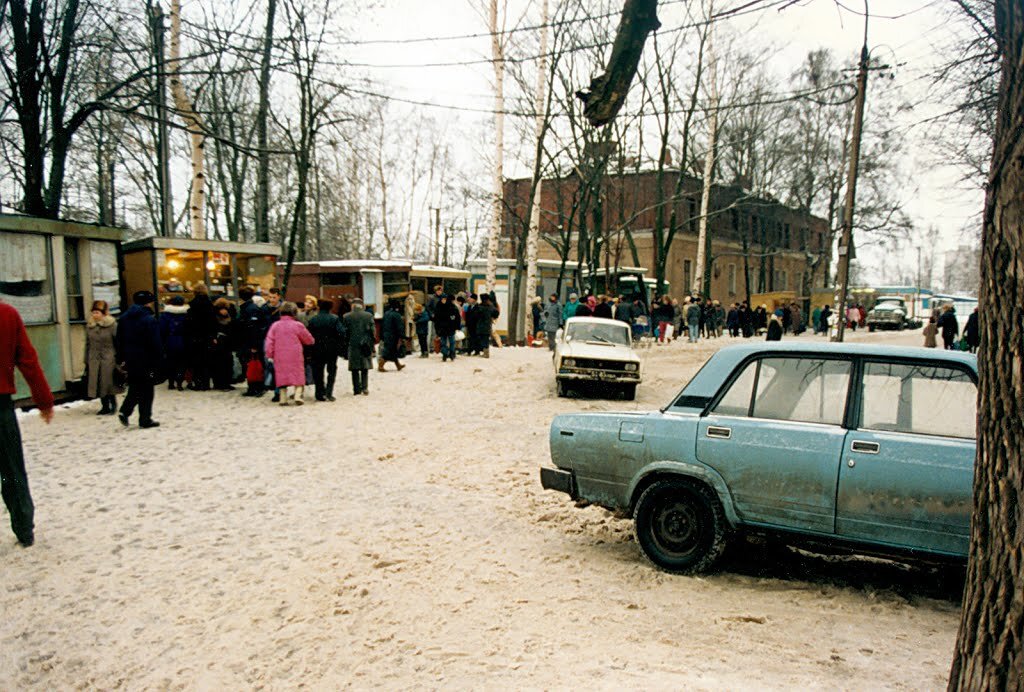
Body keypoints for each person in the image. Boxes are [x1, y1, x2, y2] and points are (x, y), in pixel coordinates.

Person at [0, 300, 54, 547]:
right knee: (12, 470)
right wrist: (43, 400)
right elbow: (28, 360)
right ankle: (24, 527)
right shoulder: (7, 314)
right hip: (1, 408)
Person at [117, 291, 164, 429]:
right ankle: (144, 418)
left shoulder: (124, 318)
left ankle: (126, 411)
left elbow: (119, 340)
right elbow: (155, 342)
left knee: (136, 386)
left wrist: (121, 357)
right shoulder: (149, 319)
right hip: (147, 359)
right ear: (148, 303)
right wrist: (160, 359)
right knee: (147, 389)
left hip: (131, 359)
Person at [264, 301, 315, 405]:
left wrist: (269, 354)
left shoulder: (275, 325)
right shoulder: (298, 325)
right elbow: (309, 340)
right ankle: (297, 395)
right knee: (298, 374)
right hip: (295, 354)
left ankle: (283, 398)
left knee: (281, 375)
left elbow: (269, 341)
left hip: (279, 354)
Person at [85, 300, 119, 415]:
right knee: (97, 382)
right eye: (93, 312)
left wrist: (119, 357)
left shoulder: (112, 325)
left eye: (97, 312)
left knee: (108, 382)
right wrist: (86, 359)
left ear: (104, 313)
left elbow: (118, 341)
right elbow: (87, 343)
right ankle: (104, 406)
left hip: (108, 356)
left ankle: (113, 403)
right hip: (94, 357)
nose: (95, 315)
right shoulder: (90, 326)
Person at [308, 299, 345, 401]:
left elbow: (308, 335)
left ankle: (319, 393)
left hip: (317, 349)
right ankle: (329, 392)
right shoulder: (334, 319)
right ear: (330, 308)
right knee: (331, 371)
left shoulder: (313, 319)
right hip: (331, 349)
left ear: (319, 307)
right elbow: (341, 332)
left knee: (318, 372)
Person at [185, 283, 217, 391]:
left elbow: (189, 323)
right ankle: (206, 383)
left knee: (196, 361)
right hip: (207, 337)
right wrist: (213, 335)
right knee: (206, 361)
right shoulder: (209, 304)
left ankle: (198, 383)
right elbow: (212, 322)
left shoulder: (192, 305)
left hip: (195, 337)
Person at [238, 287, 269, 397]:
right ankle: (254, 387)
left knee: (253, 364)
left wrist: (254, 345)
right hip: (250, 342)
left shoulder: (250, 309)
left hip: (250, 343)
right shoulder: (251, 308)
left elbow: (253, 329)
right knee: (253, 364)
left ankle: (256, 387)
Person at [343, 299, 375, 395]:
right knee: (365, 367)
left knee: (354, 368)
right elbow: (372, 331)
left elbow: (345, 332)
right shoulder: (368, 316)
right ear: (362, 305)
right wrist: (371, 343)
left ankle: (356, 389)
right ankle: (365, 387)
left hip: (353, 344)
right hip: (365, 344)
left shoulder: (346, 316)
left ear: (352, 306)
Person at [159, 296, 189, 391]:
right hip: (183, 342)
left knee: (170, 363)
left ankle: (171, 382)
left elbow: (161, 330)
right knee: (182, 364)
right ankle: (179, 382)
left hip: (169, 342)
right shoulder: (186, 315)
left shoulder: (164, 315)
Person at [210, 298, 236, 390]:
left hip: (227, 343)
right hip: (218, 343)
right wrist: (213, 338)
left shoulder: (229, 316)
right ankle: (220, 383)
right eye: (222, 309)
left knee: (227, 363)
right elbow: (212, 330)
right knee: (220, 364)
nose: (224, 311)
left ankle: (226, 383)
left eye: (225, 308)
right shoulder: (214, 318)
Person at [379, 299, 406, 372]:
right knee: (389, 350)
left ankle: (398, 365)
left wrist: (381, 335)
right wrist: (403, 336)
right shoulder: (397, 315)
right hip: (393, 335)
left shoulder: (386, 313)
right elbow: (399, 327)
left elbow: (382, 325)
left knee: (392, 350)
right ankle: (380, 365)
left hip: (386, 334)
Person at [433, 293, 461, 362]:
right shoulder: (439, 307)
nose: (444, 300)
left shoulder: (451, 307)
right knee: (444, 342)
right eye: (442, 299)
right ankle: (446, 354)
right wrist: (437, 329)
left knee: (451, 342)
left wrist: (457, 326)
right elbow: (436, 319)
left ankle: (451, 353)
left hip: (449, 327)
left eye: (445, 299)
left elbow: (457, 317)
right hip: (443, 328)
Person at [473, 293, 500, 357]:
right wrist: (493, 317)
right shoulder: (490, 307)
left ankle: (483, 351)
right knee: (485, 339)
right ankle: (486, 352)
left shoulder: (479, 307)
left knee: (481, 338)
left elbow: (475, 315)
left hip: (480, 325)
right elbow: (496, 313)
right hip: (487, 325)